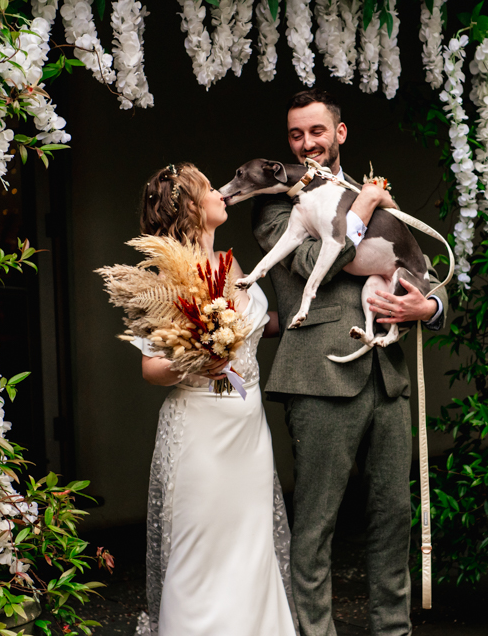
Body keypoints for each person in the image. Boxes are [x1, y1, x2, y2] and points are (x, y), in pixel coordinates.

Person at [252, 89, 448, 636]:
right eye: (296, 135)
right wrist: (361, 213)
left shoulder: (371, 198)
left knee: (394, 519)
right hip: (319, 379)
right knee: (316, 526)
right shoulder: (277, 205)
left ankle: (394, 631)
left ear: (340, 134)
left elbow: (423, 267)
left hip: (389, 382)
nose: (307, 143)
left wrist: (425, 305)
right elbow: (317, 259)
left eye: (317, 131)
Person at [133, 163, 296, 636]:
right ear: (189, 207)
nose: (221, 192)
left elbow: (262, 324)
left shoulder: (229, 261)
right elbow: (150, 368)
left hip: (248, 431)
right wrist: (199, 356)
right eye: (209, 188)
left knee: (251, 552)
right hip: (202, 433)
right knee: (201, 557)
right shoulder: (164, 278)